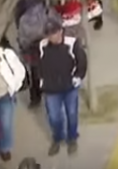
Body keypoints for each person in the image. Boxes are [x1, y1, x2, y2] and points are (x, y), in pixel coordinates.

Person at [38, 18, 87, 156]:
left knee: (71, 114)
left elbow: (81, 61)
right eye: (49, 34)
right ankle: (57, 139)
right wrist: (41, 80)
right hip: (51, 88)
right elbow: (39, 64)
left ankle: (72, 138)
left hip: (69, 87)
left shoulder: (72, 43)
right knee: (54, 117)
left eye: (54, 32)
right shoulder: (43, 45)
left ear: (60, 31)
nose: (52, 36)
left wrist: (77, 77)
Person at [0, 36, 25, 162]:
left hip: (5, 95)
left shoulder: (5, 53)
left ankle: (4, 148)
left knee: (6, 125)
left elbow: (19, 70)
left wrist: (14, 86)